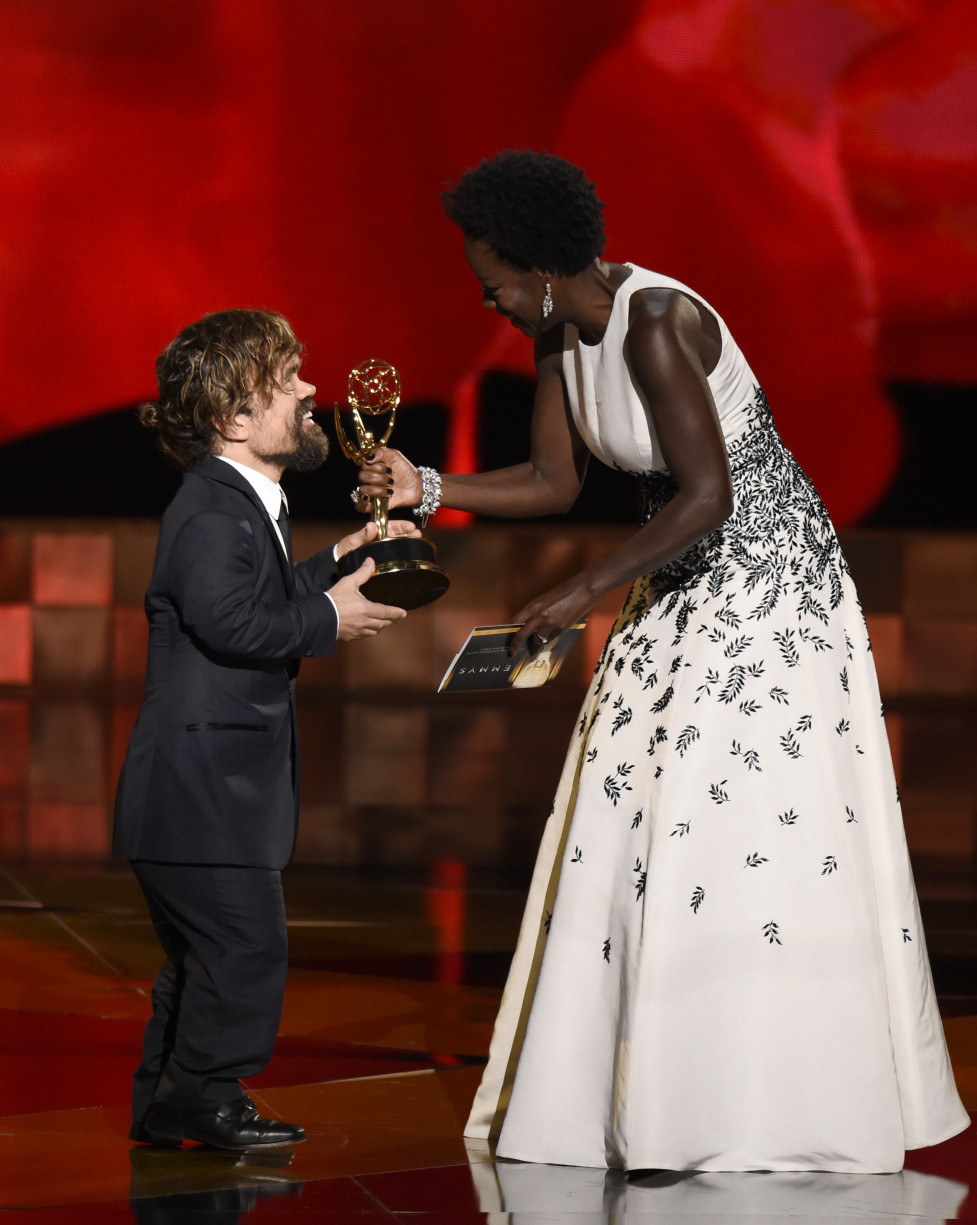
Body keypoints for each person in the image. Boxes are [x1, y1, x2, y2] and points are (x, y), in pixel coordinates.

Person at [357, 151, 969, 1172]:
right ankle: (646, 1094)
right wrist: (426, 483)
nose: (493, 303)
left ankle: (763, 1103)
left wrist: (580, 591)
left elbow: (706, 495)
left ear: (541, 266)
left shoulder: (655, 322)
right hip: (676, 574)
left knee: (731, 822)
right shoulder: (560, 333)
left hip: (767, 587)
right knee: (627, 808)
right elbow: (555, 480)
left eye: (494, 284)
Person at [115, 309, 415, 1151]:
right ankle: (204, 1098)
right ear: (235, 419)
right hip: (199, 793)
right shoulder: (213, 510)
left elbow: (255, 601)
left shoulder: (245, 506)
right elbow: (228, 623)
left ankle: (170, 1099)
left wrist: (340, 561)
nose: (311, 390)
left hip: (204, 795)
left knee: (208, 960)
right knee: (244, 947)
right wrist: (328, 614)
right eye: (287, 381)